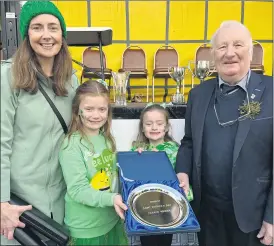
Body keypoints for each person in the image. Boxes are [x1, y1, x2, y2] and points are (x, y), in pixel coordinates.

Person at [175, 20, 273, 246]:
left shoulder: (272, 92)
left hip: (254, 216)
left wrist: (272, 216)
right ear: (213, 54)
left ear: (251, 52)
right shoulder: (198, 94)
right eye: (222, 47)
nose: (230, 53)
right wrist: (182, 171)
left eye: (238, 45)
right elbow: (189, 142)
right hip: (208, 213)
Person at [1, 1, 79, 245]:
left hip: (63, 203)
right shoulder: (8, 77)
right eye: (37, 27)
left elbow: (81, 133)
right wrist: (2, 203)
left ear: (62, 35)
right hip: (20, 209)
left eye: (53, 28)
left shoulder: (70, 79)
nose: (46, 35)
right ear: (27, 34)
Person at [59, 80, 128, 246]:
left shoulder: (107, 140)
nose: (96, 115)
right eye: (89, 109)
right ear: (78, 111)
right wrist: (111, 199)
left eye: (102, 109)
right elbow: (77, 189)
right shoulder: (71, 145)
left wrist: (140, 156)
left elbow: (115, 175)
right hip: (86, 228)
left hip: (112, 221)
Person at [131, 103, 179, 246]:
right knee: (147, 240)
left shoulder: (174, 149)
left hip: (167, 207)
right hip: (144, 206)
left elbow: (178, 177)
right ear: (143, 128)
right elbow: (132, 176)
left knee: (165, 240)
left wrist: (161, 161)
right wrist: (137, 158)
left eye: (159, 123)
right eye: (149, 124)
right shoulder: (137, 149)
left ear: (166, 127)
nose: (154, 127)